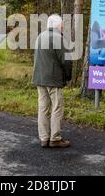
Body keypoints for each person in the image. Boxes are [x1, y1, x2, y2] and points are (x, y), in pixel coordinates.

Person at [32, 14, 72, 148]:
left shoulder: (40, 37)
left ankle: (44, 138)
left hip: (39, 78)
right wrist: (68, 76)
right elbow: (66, 60)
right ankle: (55, 138)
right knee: (56, 107)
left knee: (43, 108)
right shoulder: (58, 38)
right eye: (62, 25)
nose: (63, 27)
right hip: (53, 79)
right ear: (58, 26)